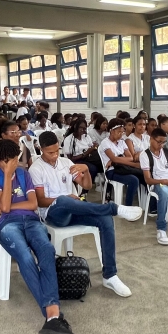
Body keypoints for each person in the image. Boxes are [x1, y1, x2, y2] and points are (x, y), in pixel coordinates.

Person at [0, 140, 76, 334]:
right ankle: (53, 315)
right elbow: (5, 206)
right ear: (0, 161)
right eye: (10, 160)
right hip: (7, 225)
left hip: (32, 221)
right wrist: (7, 177)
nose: (15, 163)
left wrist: (5, 208)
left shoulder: (25, 175)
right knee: (25, 256)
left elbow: (32, 204)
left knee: (46, 249)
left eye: (16, 158)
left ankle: (52, 319)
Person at [31, 132, 141, 296]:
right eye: (50, 152)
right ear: (41, 149)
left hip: (74, 210)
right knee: (63, 200)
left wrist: (87, 170)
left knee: (105, 220)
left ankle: (110, 275)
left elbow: (86, 185)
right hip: (53, 214)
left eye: (56, 151)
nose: (54, 156)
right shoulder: (36, 169)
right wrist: (65, 198)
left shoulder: (66, 162)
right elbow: (40, 201)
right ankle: (113, 208)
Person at [99, 118, 146, 207]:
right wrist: (116, 159)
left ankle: (149, 204)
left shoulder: (121, 142)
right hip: (111, 171)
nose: (121, 134)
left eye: (122, 132)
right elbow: (114, 158)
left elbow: (130, 157)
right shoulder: (105, 143)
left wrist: (116, 159)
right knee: (133, 180)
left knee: (144, 175)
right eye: (119, 132)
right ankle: (128, 207)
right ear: (112, 131)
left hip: (123, 168)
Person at [62, 119, 102, 188]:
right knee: (93, 168)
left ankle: (103, 185)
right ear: (75, 127)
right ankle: (84, 189)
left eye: (85, 128)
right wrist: (86, 153)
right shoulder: (69, 139)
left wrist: (94, 147)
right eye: (81, 128)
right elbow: (71, 158)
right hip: (75, 160)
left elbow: (91, 146)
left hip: (87, 157)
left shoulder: (86, 137)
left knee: (102, 163)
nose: (83, 130)